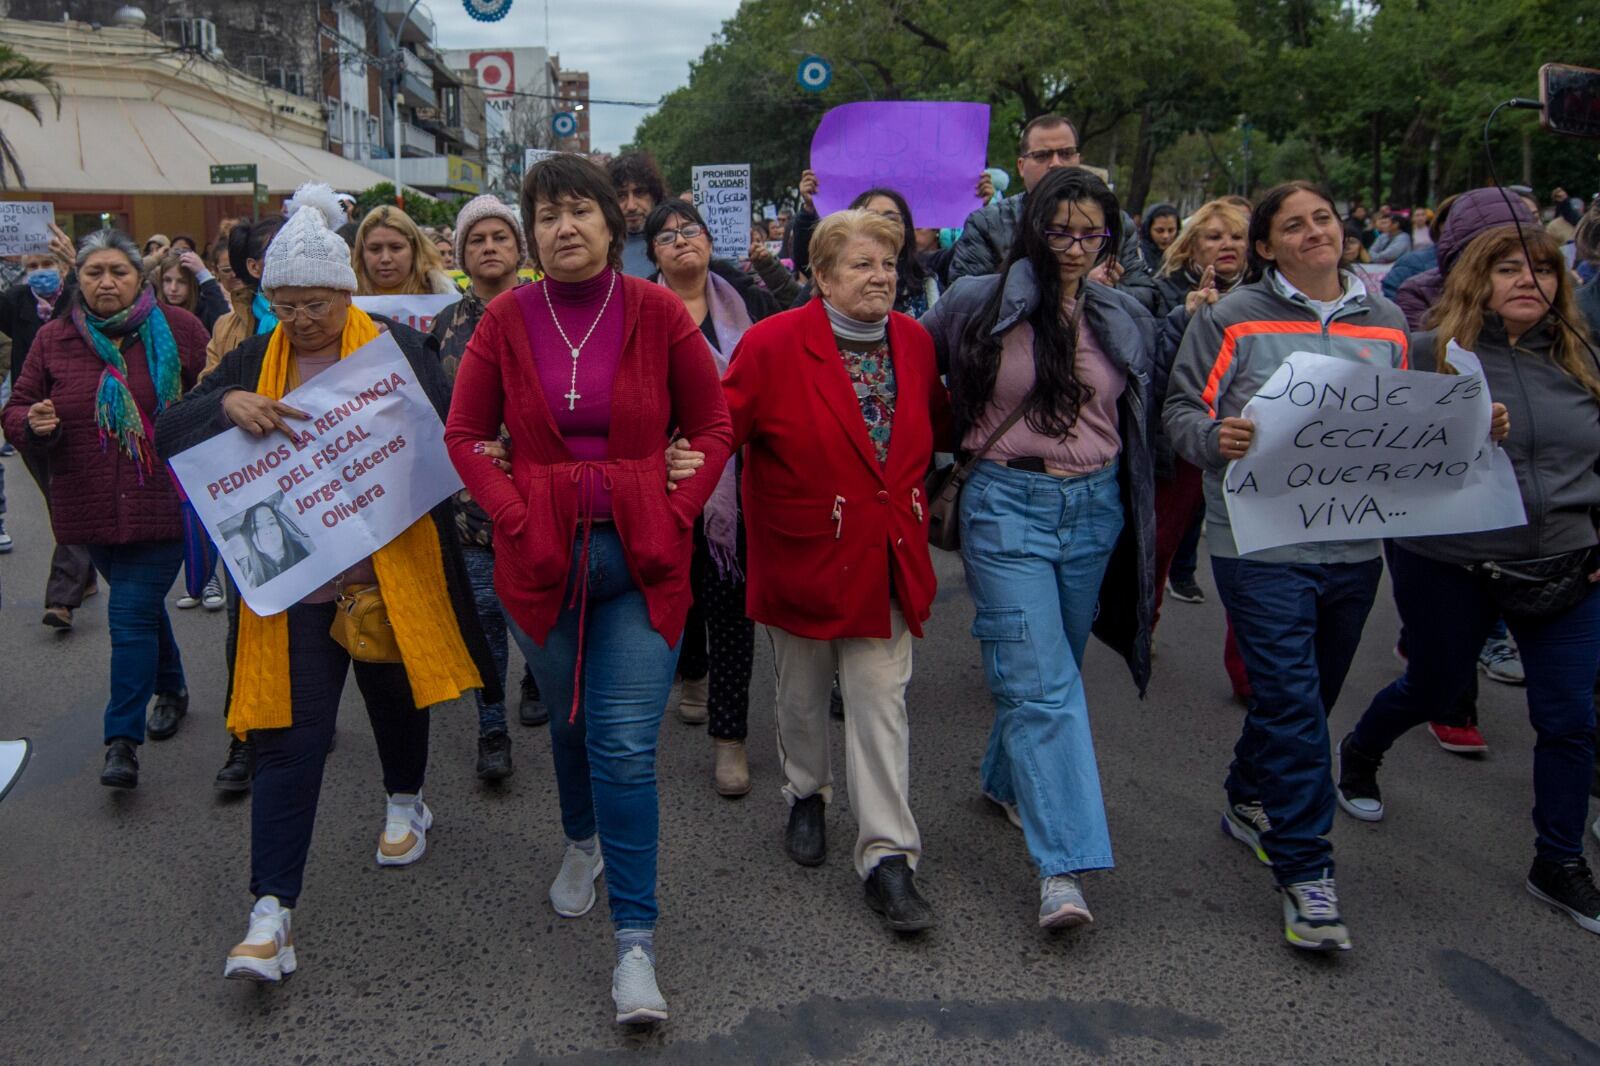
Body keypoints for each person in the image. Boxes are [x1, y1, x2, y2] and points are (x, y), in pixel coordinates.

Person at [152, 183, 497, 985]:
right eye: (287, 305)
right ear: (268, 300)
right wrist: (226, 403)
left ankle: (406, 799)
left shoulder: (399, 350)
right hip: (295, 592)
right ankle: (270, 915)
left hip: (390, 577)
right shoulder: (250, 359)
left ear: (348, 294)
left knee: (394, 703)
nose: (302, 319)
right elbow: (171, 428)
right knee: (289, 742)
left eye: (317, 304)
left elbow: (456, 428)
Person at [444, 155, 733, 1025]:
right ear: (532, 235)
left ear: (613, 225)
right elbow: (464, 435)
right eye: (547, 215)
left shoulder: (655, 311)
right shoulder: (506, 318)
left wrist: (675, 508)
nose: (563, 227)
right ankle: (581, 839)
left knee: (623, 744)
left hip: (643, 562)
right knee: (568, 721)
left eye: (580, 211)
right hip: (538, 564)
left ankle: (635, 944)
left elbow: (714, 425)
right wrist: (513, 513)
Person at [1164, 181, 1410, 953]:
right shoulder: (1232, 318)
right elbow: (1180, 413)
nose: (1314, 233)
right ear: (1267, 247)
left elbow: (1407, 422)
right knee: (1295, 705)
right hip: (1258, 544)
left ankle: (1247, 796)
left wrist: (1477, 425)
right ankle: (1307, 873)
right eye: (1294, 226)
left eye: (1323, 219)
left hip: (1354, 547)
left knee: (1307, 697)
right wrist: (1216, 438)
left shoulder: (1390, 322)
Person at [1335, 224, 1600, 937]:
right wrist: (1456, 427)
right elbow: (1373, 450)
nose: (1528, 281)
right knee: (1434, 687)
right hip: (1451, 563)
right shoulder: (1427, 354)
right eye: (1508, 268)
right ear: (1476, 279)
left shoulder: (1583, 358)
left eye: (1543, 270)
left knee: (1570, 719)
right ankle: (1362, 750)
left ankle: (1559, 860)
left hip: (1566, 563)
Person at [919, 167, 1156, 930]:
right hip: (1004, 507)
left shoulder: (1123, 313)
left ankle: (1003, 781)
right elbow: (909, 368)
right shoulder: (975, 302)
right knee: (1043, 688)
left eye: (1092, 233)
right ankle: (1063, 868)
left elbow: (1152, 415)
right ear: (1032, 230)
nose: (1075, 247)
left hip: (1095, 509)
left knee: (1055, 666)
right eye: (1060, 230)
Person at [718, 208, 952, 935]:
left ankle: (888, 857)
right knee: (802, 693)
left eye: (888, 264)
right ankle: (806, 793)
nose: (880, 277)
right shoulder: (770, 344)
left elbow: (934, 426)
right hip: (804, 552)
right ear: (820, 276)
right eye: (861, 264)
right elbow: (720, 430)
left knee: (881, 701)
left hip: (887, 553)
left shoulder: (914, 341)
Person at [2, 229, 209, 787]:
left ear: (140, 277)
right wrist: (33, 423)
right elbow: (16, 407)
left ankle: (121, 740)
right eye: (95, 273)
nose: (107, 282)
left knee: (129, 615)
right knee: (142, 612)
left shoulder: (181, 329)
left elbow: (216, 395)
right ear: (80, 279)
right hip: (88, 505)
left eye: (119, 271)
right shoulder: (54, 338)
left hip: (163, 502)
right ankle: (173, 687)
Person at [642, 199, 780, 795]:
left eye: (690, 229)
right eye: (666, 236)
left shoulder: (747, 301)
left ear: (708, 239)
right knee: (683, 592)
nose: (681, 241)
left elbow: (779, 367)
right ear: (653, 254)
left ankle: (730, 739)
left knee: (728, 599)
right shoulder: (637, 310)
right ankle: (691, 671)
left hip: (736, 479)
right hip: (661, 475)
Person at [429, 193, 543, 782]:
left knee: (542, 615)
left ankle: (539, 680)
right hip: (469, 505)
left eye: (501, 237)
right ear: (460, 253)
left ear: (520, 249)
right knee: (485, 621)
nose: (489, 247)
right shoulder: (444, 326)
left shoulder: (548, 313)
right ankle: (491, 726)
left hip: (543, 499)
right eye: (477, 239)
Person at [1149, 199, 1250, 617]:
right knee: (1160, 542)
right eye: (1215, 236)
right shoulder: (1162, 292)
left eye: (1237, 236)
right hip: (1179, 448)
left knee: (1249, 556)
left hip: (1244, 445)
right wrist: (1187, 319)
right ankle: (1145, 622)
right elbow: (1152, 375)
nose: (1228, 244)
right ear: (1191, 246)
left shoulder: (1263, 298)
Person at [948, 114, 1158, 310]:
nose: (1056, 164)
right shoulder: (987, 223)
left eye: (1066, 154)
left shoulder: (1116, 222)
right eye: (1042, 155)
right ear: (1021, 166)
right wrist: (1076, 286)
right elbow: (963, 302)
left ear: (1078, 159)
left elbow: (1148, 300)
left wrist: (1103, 290)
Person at [0, 230, 101, 627]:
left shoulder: (77, 296)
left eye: (47, 265)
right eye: (33, 266)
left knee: (65, 501)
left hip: (74, 410)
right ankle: (85, 573)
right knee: (58, 501)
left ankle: (62, 598)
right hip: (30, 415)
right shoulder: (16, 302)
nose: (40, 272)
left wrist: (77, 264)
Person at [850, 188, 942, 317]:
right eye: (871, 218)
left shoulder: (928, 285)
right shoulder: (839, 281)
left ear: (906, 230)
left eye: (891, 219)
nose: (882, 226)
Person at [351, 206, 456, 296]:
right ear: (361, 253)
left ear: (414, 249)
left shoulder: (447, 296)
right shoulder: (345, 296)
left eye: (396, 247)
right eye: (375, 249)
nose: (385, 259)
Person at [607, 152, 667, 278]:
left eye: (639, 193)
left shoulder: (676, 242)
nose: (631, 206)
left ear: (655, 196)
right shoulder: (600, 249)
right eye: (621, 196)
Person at [151, 249, 228, 335]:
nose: (173, 288)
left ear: (193, 284)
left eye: (182, 282)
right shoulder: (154, 311)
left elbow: (225, 329)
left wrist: (204, 275)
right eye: (167, 280)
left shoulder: (205, 311)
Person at [234, 501, 311, 585]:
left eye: (271, 523)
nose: (268, 531)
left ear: (281, 527)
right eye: (258, 527)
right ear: (251, 539)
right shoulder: (252, 581)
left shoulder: (308, 547)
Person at [1140, 203, 1182, 273]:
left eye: (1171, 230)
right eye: (1159, 231)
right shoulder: (1138, 256)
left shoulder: (1184, 257)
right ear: (1148, 230)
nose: (1166, 236)